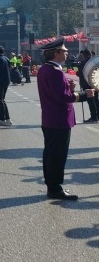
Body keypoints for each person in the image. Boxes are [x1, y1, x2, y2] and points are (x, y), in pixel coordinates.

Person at [37, 38, 95, 200]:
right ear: (55, 53)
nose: (67, 52)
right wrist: (84, 95)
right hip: (59, 119)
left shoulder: (46, 69)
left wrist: (68, 88)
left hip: (50, 118)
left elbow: (56, 92)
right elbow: (62, 97)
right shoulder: (55, 71)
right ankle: (55, 188)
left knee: (50, 154)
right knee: (57, 155)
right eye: (64, 50)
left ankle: (52, 186)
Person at [76, 49, 98, 123]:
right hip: (95, 84)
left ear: (85, 55)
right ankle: (97, 116)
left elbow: (79, 73)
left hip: (87, 85)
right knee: (96, 100)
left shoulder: (84, 63)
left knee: (91, 101)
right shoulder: (94, 62)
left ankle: (93, 117)